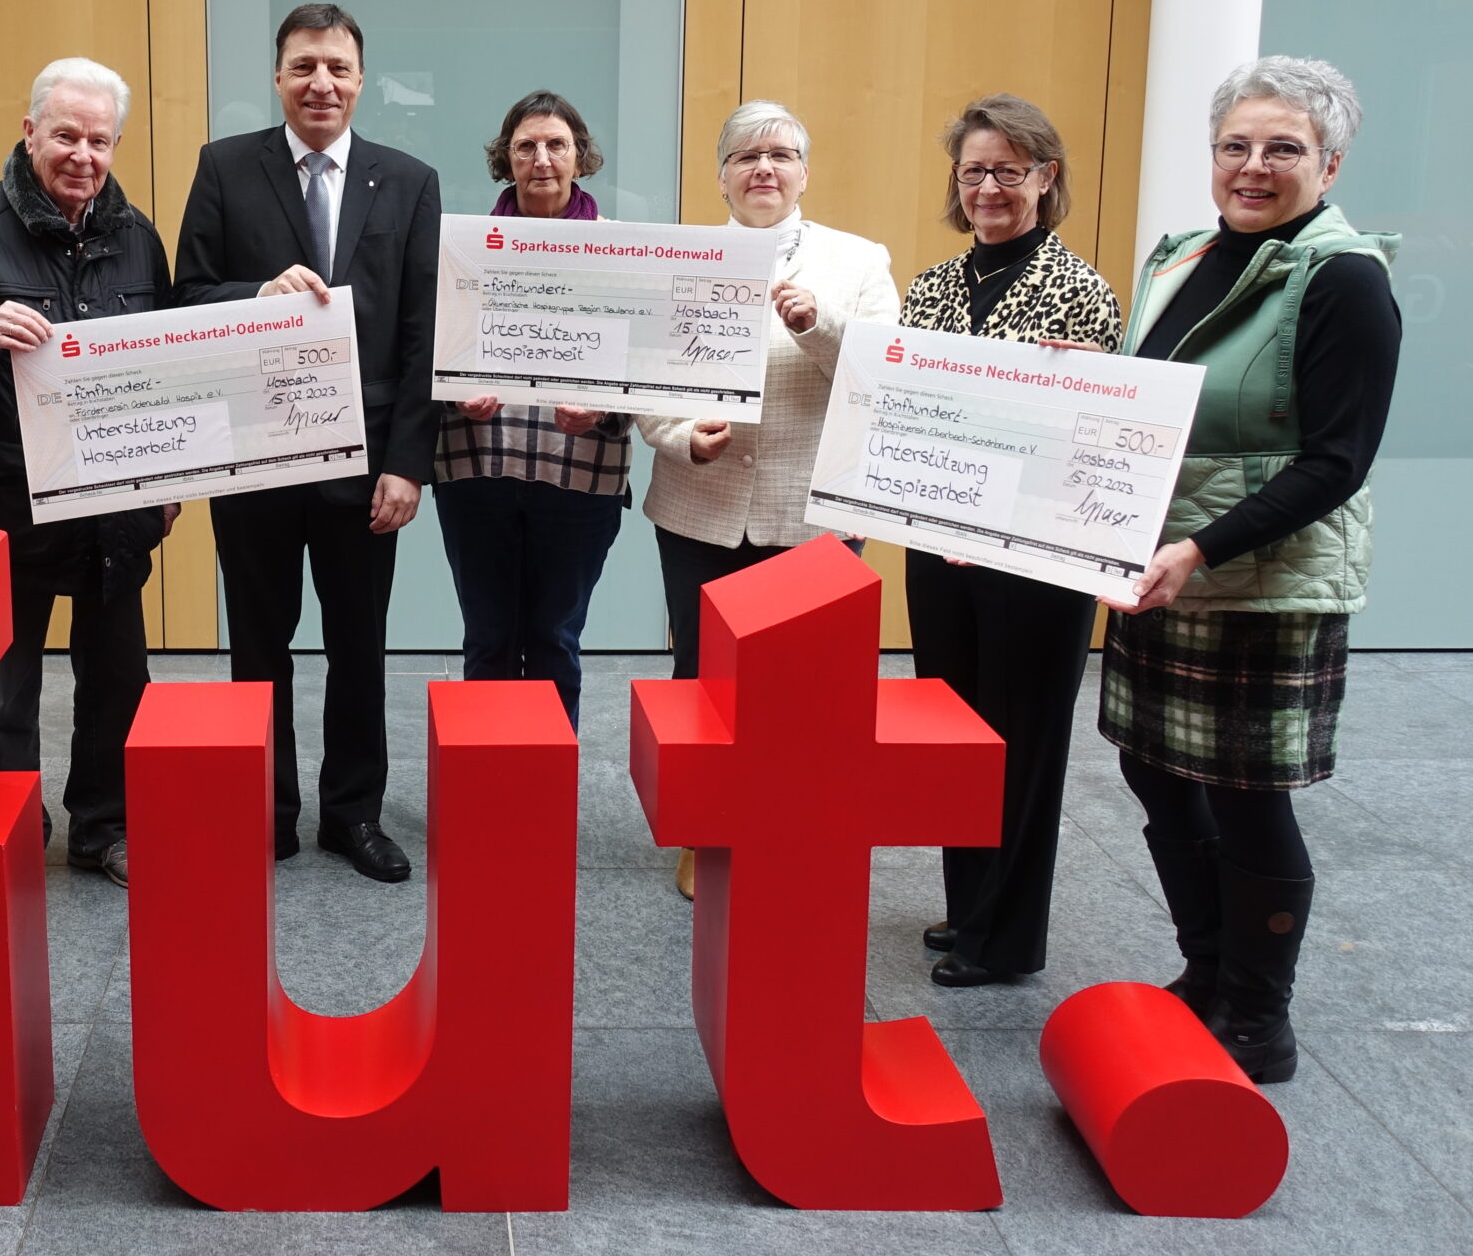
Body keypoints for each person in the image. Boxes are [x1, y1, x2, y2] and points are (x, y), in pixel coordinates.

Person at [1101, 56, 1400, 1084]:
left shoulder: (1343, 277)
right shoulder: (1186, 256)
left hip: (1259, 580)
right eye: (1235, 145)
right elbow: (1162, 399)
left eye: (1283, 148)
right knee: (1153, 768)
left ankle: (1258, 1016)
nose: (1253, 166)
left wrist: (1200, 547)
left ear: (1330, 162)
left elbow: (1336, 461)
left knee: (1246, 795)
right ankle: (1209, 967)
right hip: (1165, 562)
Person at [173, 2, 443, 883]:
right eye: (303, 66)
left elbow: (423, 334)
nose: (320, 82)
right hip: (253, 454)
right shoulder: (224, 167)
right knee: (258, 647)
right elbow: (186, 297)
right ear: (278, 76)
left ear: (361, 79)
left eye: (337, 67)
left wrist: (407, 463)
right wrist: (254, 294)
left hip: (366, 464)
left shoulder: (410, 181)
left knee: (358, 647)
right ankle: (268, 810)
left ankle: (353, 813)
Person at [0, 58, 173, 888]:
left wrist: (168, 481)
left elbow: (166, 369)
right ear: (30, 133)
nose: (82, 155)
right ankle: (16, 822)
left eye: (100, 139)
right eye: (66, 135)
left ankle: (104, 826)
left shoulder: (139, 237)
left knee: (118, 680)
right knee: (11, 688)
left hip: (115, 505)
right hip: (10, 501)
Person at [639, 100, 899, 897]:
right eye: (746, 156)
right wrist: (681, 435)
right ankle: (704, 833)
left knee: (804, 692)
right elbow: (644, 379)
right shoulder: (677, 259)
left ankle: (791, 832)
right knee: (701, 679)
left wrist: (819, 324)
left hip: (810, 512)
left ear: (803, 173)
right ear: (721, 176)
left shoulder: (858, 261)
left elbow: (883, 376)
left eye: (780, 154)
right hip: (701, 501)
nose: (764, 167)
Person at [899, 96, 1123, 988]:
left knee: (1022, 742)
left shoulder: (1083, 292)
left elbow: (1086, 446)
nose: (988, 187)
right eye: (973, 171)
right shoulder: (931, 287)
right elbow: (909, 414)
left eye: (1007, 169)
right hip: (938, 543)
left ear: (1045, 176)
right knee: (956, 731)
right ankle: (969, 907)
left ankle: (1007, 938)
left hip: (1035, 559)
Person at [432, 91, 633, 726]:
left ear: (580, 156)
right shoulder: (461, 249)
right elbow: (426, 345)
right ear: (506, 158)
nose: (542, 159)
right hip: (476, 468)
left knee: (555, 640)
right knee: (487, 640)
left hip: (580, 473)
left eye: (556, 145)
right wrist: (453, 392)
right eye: (526, 146)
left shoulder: (622, 250)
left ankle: (545, 783)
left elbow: (648, 365)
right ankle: (485, 777)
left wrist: (604, 410)